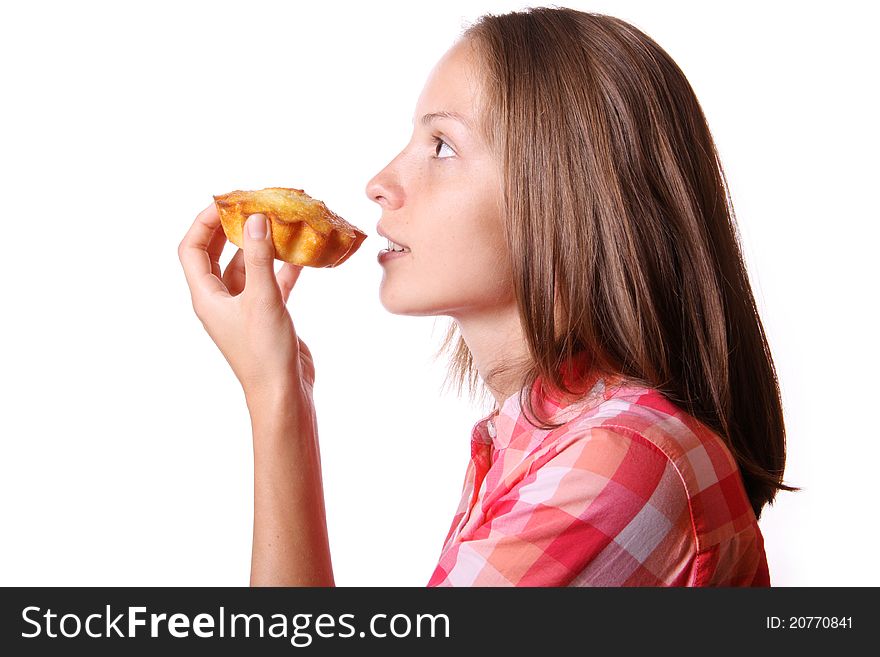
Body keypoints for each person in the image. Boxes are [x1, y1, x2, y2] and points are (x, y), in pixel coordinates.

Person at [178, 7, 797, 586]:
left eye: (442, 145)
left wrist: (275, 399)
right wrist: (285, 386)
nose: (380, 184)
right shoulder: (541, 444)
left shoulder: (619, 462)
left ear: (561, 198)